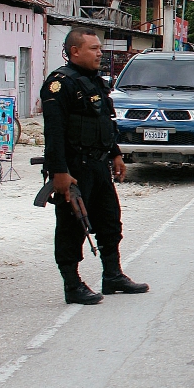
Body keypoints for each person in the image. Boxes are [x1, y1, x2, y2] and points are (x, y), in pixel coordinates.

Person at [41, 27, 148, 305]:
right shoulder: (59, 84)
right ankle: (72, 285)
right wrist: (60, 173)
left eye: (100, 48)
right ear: (75, 51)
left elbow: (104, 122)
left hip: (99, 165)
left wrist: (115, 154)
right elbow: (54, 134)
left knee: (110, 221)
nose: (100, 53)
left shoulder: (96, 83)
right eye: (93, 48)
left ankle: (112, 275)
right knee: (72, 227)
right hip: (74, 168)